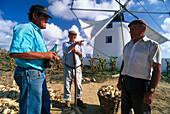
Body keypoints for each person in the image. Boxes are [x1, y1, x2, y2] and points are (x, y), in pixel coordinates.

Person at [9, 5, 59, 114]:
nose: (47, 20)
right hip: (30, 74)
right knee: (31, 110)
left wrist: (49, 57)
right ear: (34, 15)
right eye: (44, 17)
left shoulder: (37, 32)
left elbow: (35, 53)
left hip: (38, 74)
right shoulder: (26, 28)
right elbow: (16, 52)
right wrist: (45, 56)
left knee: (44, 107)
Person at [117, 19, 161, 114]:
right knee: (125, 110)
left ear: (143, 29)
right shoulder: (127, 46)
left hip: (141, 84)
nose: (130, 32)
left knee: (141, 112)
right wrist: (120, 80)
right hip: (126, 82)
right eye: (130, 29)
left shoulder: (152, 45)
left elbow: (157, 68)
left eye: (134, 29)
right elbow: (124, 64)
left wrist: (150, 91)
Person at [62, 30, 86, 108]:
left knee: (78, 84)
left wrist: (77, 51)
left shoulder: (80, 45)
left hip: (77, 68)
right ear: (69, 36)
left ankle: (79, 100)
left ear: (76, 36)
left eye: (74, 35)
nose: (73, 37)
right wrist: (75, 44)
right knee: (67, 85)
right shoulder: (65, 44)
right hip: (68, 67)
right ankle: (67, 101)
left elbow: (84, 55)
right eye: (71, 35)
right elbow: (66, 50)